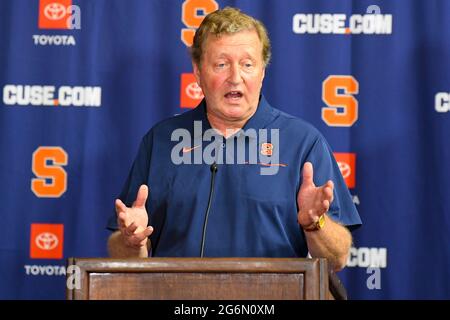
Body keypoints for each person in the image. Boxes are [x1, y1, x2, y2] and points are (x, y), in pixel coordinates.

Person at [107, 7, 361, 271]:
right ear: (198, 71)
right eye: (221, 64)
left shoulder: (303, 142)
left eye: (247, 64)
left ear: (262, 71)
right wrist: (131, 242)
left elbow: (337, 258)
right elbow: (121, 250)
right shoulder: (161, 141)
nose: (235, 78)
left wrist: (315, 223)